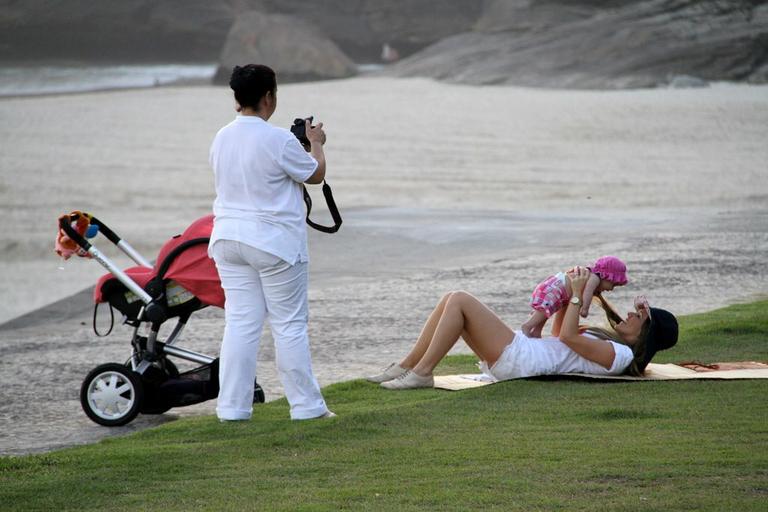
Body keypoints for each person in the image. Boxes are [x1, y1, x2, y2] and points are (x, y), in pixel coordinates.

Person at [208, 64, 334, 420]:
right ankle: (307, 408)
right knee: (289, 324)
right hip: (273, 243)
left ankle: (232, 408)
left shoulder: (221, 137)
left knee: (240, 323)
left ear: (237, 98)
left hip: (228, 240)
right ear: (268, 97)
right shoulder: (277, 139)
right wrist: (316, 145)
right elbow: (315, 174)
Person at [367, 267, 678, 389]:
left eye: (639, 316)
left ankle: (422, 373)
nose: (629, 313)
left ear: (645, 333)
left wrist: (574, 296)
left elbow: (568, 336)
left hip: (523, 361)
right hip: (524, 354)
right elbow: (561, 337)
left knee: (460, 299)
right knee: (452, 298)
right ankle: (407, 367)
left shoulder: (621, 356)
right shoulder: (614, 347)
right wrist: (577, 290)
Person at [521, 256, 628, 338]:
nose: (611, 289)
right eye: (613, 284)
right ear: (607, 276)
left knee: (546, 313)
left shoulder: (588, 275)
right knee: (544, 311)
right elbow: (588, 292)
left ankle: (536, 331)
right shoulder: (594, 278)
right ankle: (528, 325)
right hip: (554, 290)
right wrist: (585, 308)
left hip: (557, 292)